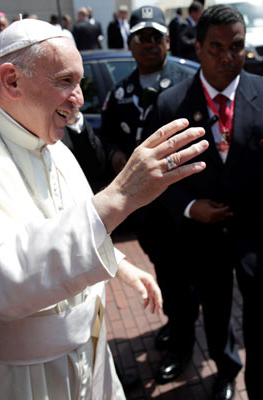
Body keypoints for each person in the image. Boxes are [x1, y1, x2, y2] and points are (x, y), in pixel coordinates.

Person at [0, 17, 209, 399]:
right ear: (12, 81)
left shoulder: (52, 144)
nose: (78, 98)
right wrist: (121, 194)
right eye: (65, 82)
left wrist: (122, 266)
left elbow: (69, 217)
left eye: (79, 82)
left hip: (84, 358)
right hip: (4, 377)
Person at [146, 5, 263, 399]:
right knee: (214, 311)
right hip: (203, 236)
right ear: (197, 47)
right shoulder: (170, 105)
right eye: (216, 47)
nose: (227, 57)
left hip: (261, 235)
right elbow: (156, 174)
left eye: (237, 47)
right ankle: (226, 370)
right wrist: (188, 207)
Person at [100, 5, 199, 381]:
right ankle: (176, 324)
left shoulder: (186, 83)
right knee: (164, 267)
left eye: (156, 36)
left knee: (182, 274)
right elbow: (107, 134)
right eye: (141, 37)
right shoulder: (120, 91)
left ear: (168, 41)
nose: (149, 44)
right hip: (145, 210)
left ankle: (184, 343)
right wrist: (114, 155)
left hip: (180, 204)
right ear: (130, 43)